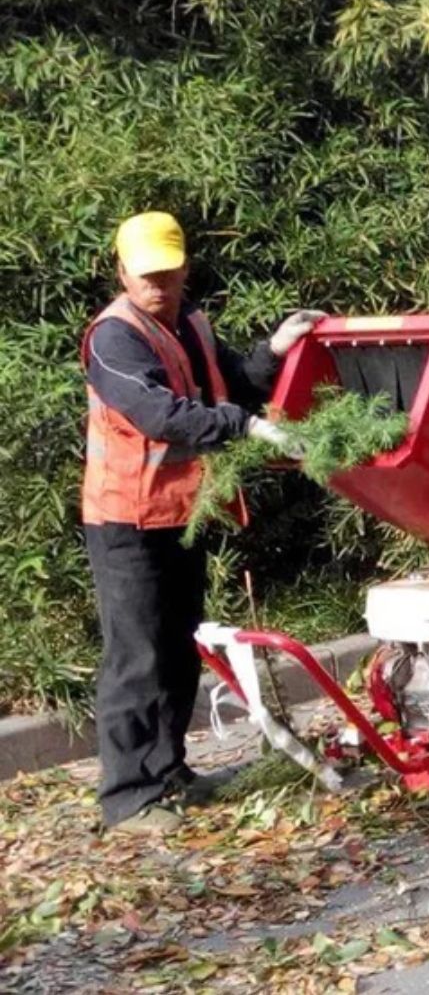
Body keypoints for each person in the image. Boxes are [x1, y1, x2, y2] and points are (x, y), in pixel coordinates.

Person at [81, 210, 325, 833]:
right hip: (126, 519)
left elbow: (232, 385)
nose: (157, 286)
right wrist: (244, 427)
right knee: (137, 656)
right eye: (145, 276)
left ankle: (170, 773)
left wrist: (274, 349)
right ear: (122, 272)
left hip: (179, 514)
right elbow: (162, 414)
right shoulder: (113, 338)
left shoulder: (190, 323)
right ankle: (128, 797)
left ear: (185, 267)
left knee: (176, 646)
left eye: (167, 272)